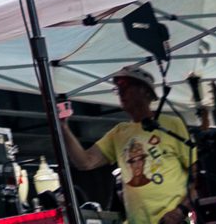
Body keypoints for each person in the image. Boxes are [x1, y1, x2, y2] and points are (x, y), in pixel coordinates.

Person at [59, 65, 195, 224]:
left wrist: (181, 211)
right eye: (118, 89)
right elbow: (85, 162)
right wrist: (63, 127)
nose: (120, 92)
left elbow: (197, 177)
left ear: (145, 91)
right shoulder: (119, 133)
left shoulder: (171, 125)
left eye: (125, 86)